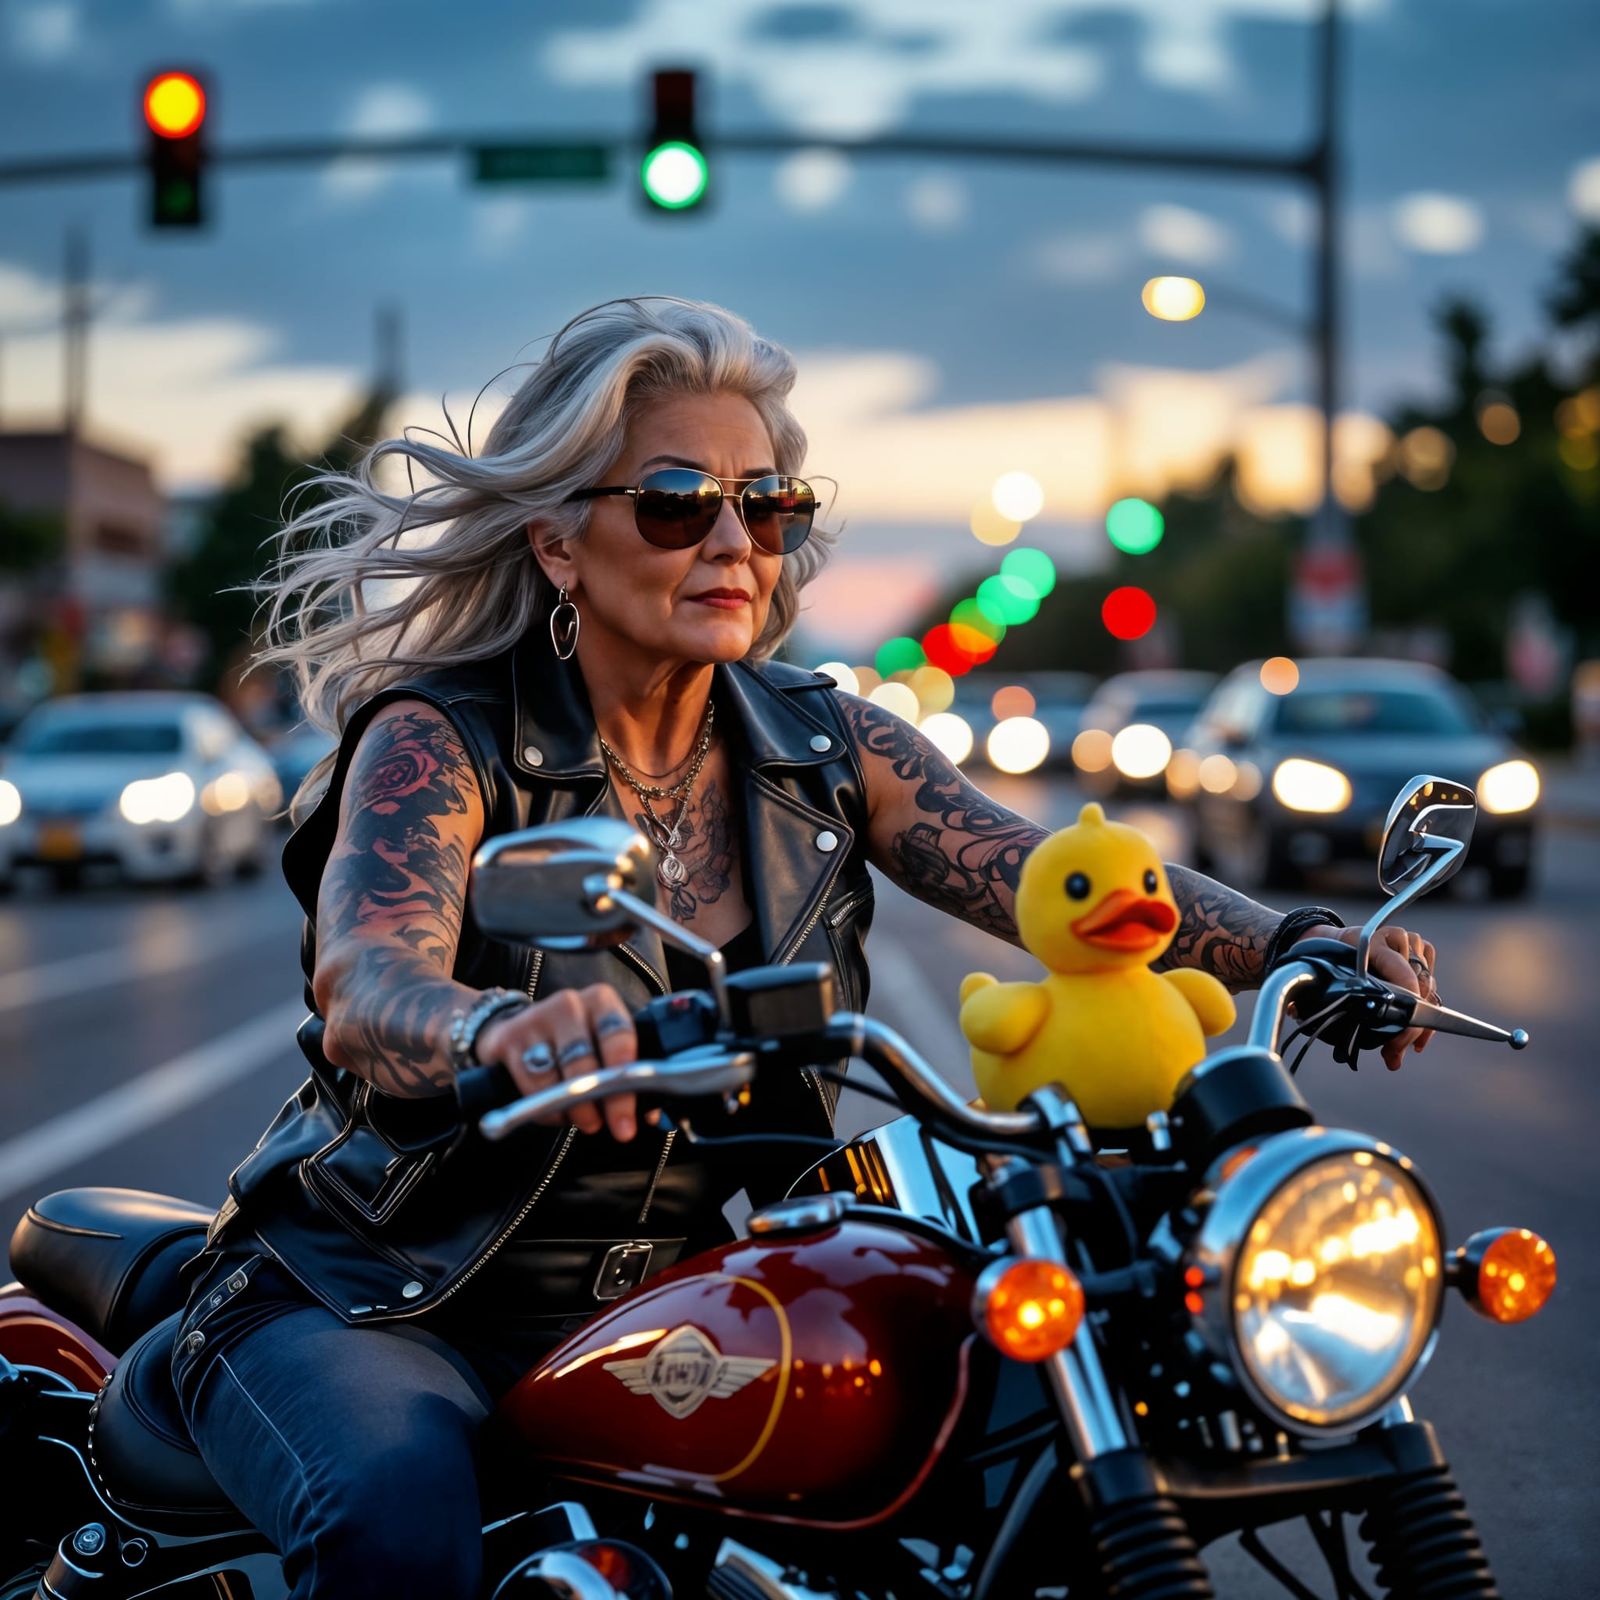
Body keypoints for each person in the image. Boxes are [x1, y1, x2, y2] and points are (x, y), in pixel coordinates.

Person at [172, 297, 1441, 1599]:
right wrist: (496, 1029)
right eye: (676, 500)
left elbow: (1061, 882)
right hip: (377, 1293)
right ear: (559, 542)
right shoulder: (441, 738)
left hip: (661, 1305)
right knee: (396, 1517)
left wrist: (1302, 942)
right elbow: (370, 983)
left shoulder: (828, 744)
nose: (733, 539)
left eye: (763, 503)